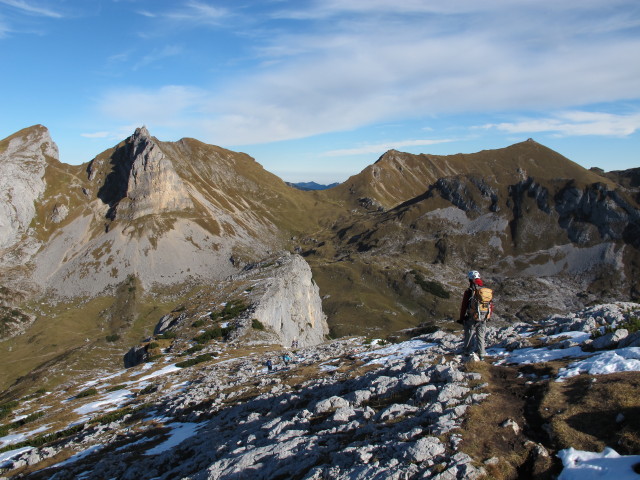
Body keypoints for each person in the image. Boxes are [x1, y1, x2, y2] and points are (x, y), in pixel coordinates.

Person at [459, 270, 493, 360]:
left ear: (470, 279)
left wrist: (462, 318)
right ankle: (482, 355)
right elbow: (490, 304)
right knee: (481, 336)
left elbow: (464, 306)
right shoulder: (485, 291)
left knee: (469, 333)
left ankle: (466, 352)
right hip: (484, 317)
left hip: (472, 317)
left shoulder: (470, 291)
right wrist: (488, 316)